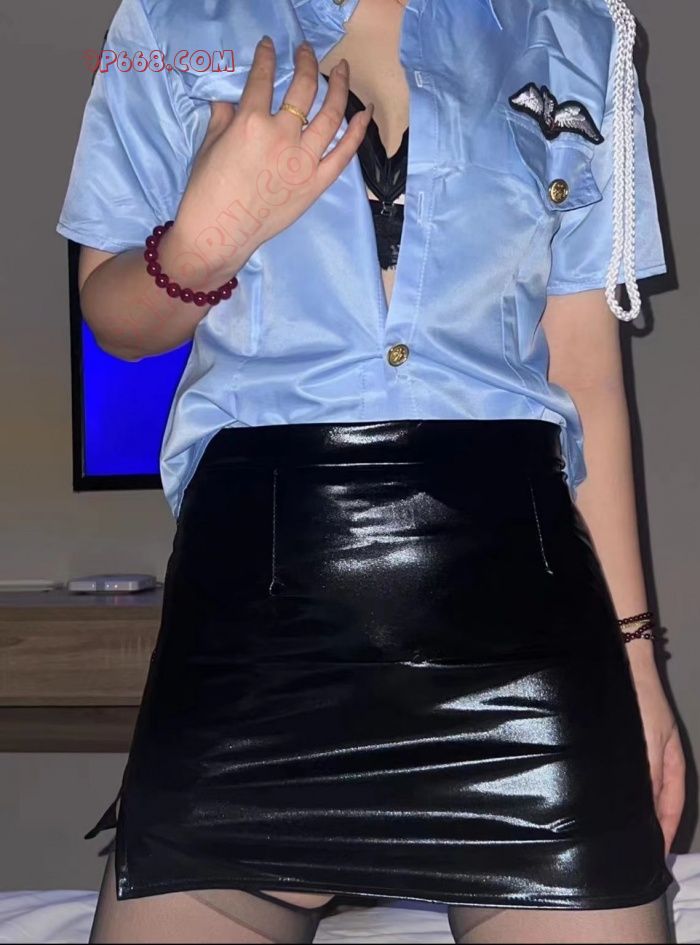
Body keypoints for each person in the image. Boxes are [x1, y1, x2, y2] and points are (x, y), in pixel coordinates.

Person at [56, 0, 685, 942]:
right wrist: (204, 243)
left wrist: (639, 664)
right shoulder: (171, 20)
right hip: (255, 630)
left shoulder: (577, 30)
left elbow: (586, 377)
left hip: (524, 631)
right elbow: (114, 320)